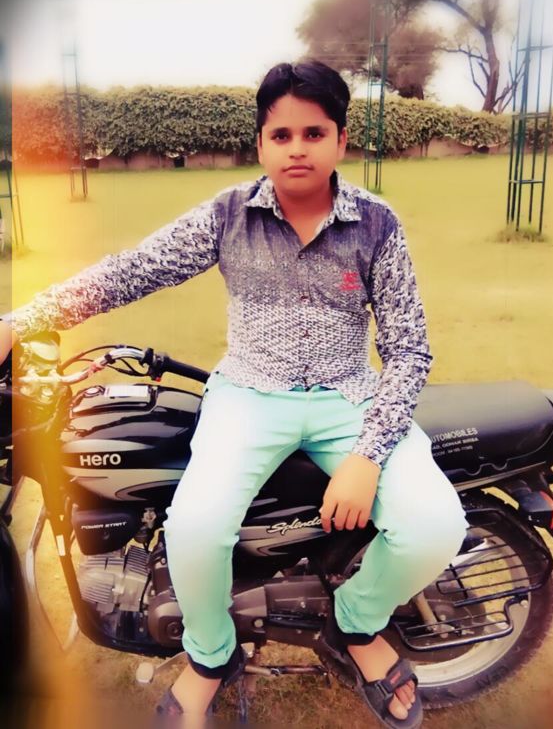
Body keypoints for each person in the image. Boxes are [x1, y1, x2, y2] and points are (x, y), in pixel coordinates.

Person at [0, 60, 468, 728]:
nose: (297, 148)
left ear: (341, 140)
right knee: (194, 527)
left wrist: (367, 457)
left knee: (435, 525)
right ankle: (211, 655)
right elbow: (132, 271)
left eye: (314, 132)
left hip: (349, 396)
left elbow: (409, 348)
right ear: (261, 144)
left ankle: (357, 621)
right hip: (247, 394)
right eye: (282, 134)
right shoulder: (228, 214)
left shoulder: (376, 224)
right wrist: (21, 321)